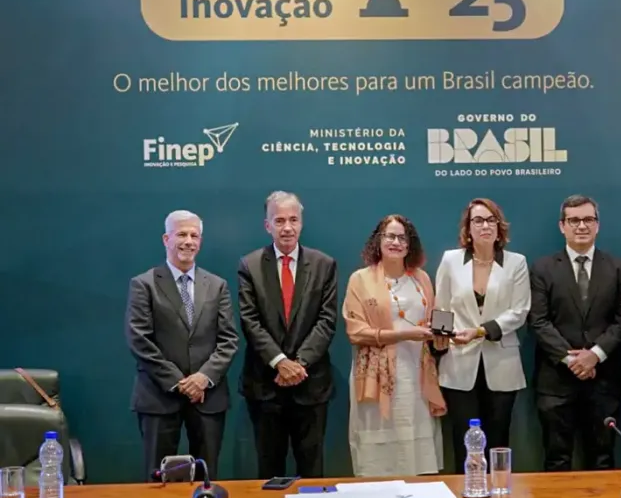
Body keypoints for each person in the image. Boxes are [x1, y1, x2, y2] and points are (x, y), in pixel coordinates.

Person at [125, 210, 238, 480]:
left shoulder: (217, 285)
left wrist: (202, 379)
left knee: (207, 478)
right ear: (166, 239)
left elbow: (228, 340)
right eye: (181, 234)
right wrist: (179, 382)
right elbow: (139, 339)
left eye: (194, 236)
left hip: (208, 398)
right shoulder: (144, 284)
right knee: (157, 479)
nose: (188, 241)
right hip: (159, 397)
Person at [238, 191, 339, 479]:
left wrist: (299, 364)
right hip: (266, 386)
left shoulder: (324, 264)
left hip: (311, 385)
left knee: (312, 470)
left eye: (293, 220)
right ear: (267, 225)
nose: (287, 227)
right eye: (279, 220)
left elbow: (326, 320)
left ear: (301, 223)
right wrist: (281, 362)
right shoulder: (250, 265)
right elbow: (250, 321)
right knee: (269, 471)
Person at [527, 195, 621, 471]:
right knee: (557, 460)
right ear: (562, 226)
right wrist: (572, 360)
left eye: (588, 219)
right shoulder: (543, 268)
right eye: (573, 220)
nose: (581, 226)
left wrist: (594, 355)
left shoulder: (618, 267)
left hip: (604, 380)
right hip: (556, 382)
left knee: (603, 460)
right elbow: (538, 321)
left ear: (598, 225)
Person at [342, 214, 447, 477]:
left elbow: (432, 320)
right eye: (390, 236)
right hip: (375, 378)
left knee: (415, 446)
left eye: (402, 237)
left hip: (416, 374)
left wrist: (441, 335)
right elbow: (356, 332)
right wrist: (404, 334)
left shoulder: (421, 279)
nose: (396, 242)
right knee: (379, 450)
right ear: (378, 241)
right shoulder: (360, 279)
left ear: (410, 245)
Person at [434, 198, 530, 472]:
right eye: (478, 220)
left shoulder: (516, 263)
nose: (485, 226)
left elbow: (520, 311)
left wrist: (479, 331)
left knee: (498, 439)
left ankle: (498, 491)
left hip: (502, 364)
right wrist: (441, 338)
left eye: (490, 220)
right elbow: (441, 307)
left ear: (499, 227)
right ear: (468, 228)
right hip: (458, 363)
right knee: (463, 441)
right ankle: (465, 494)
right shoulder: (451, 260)